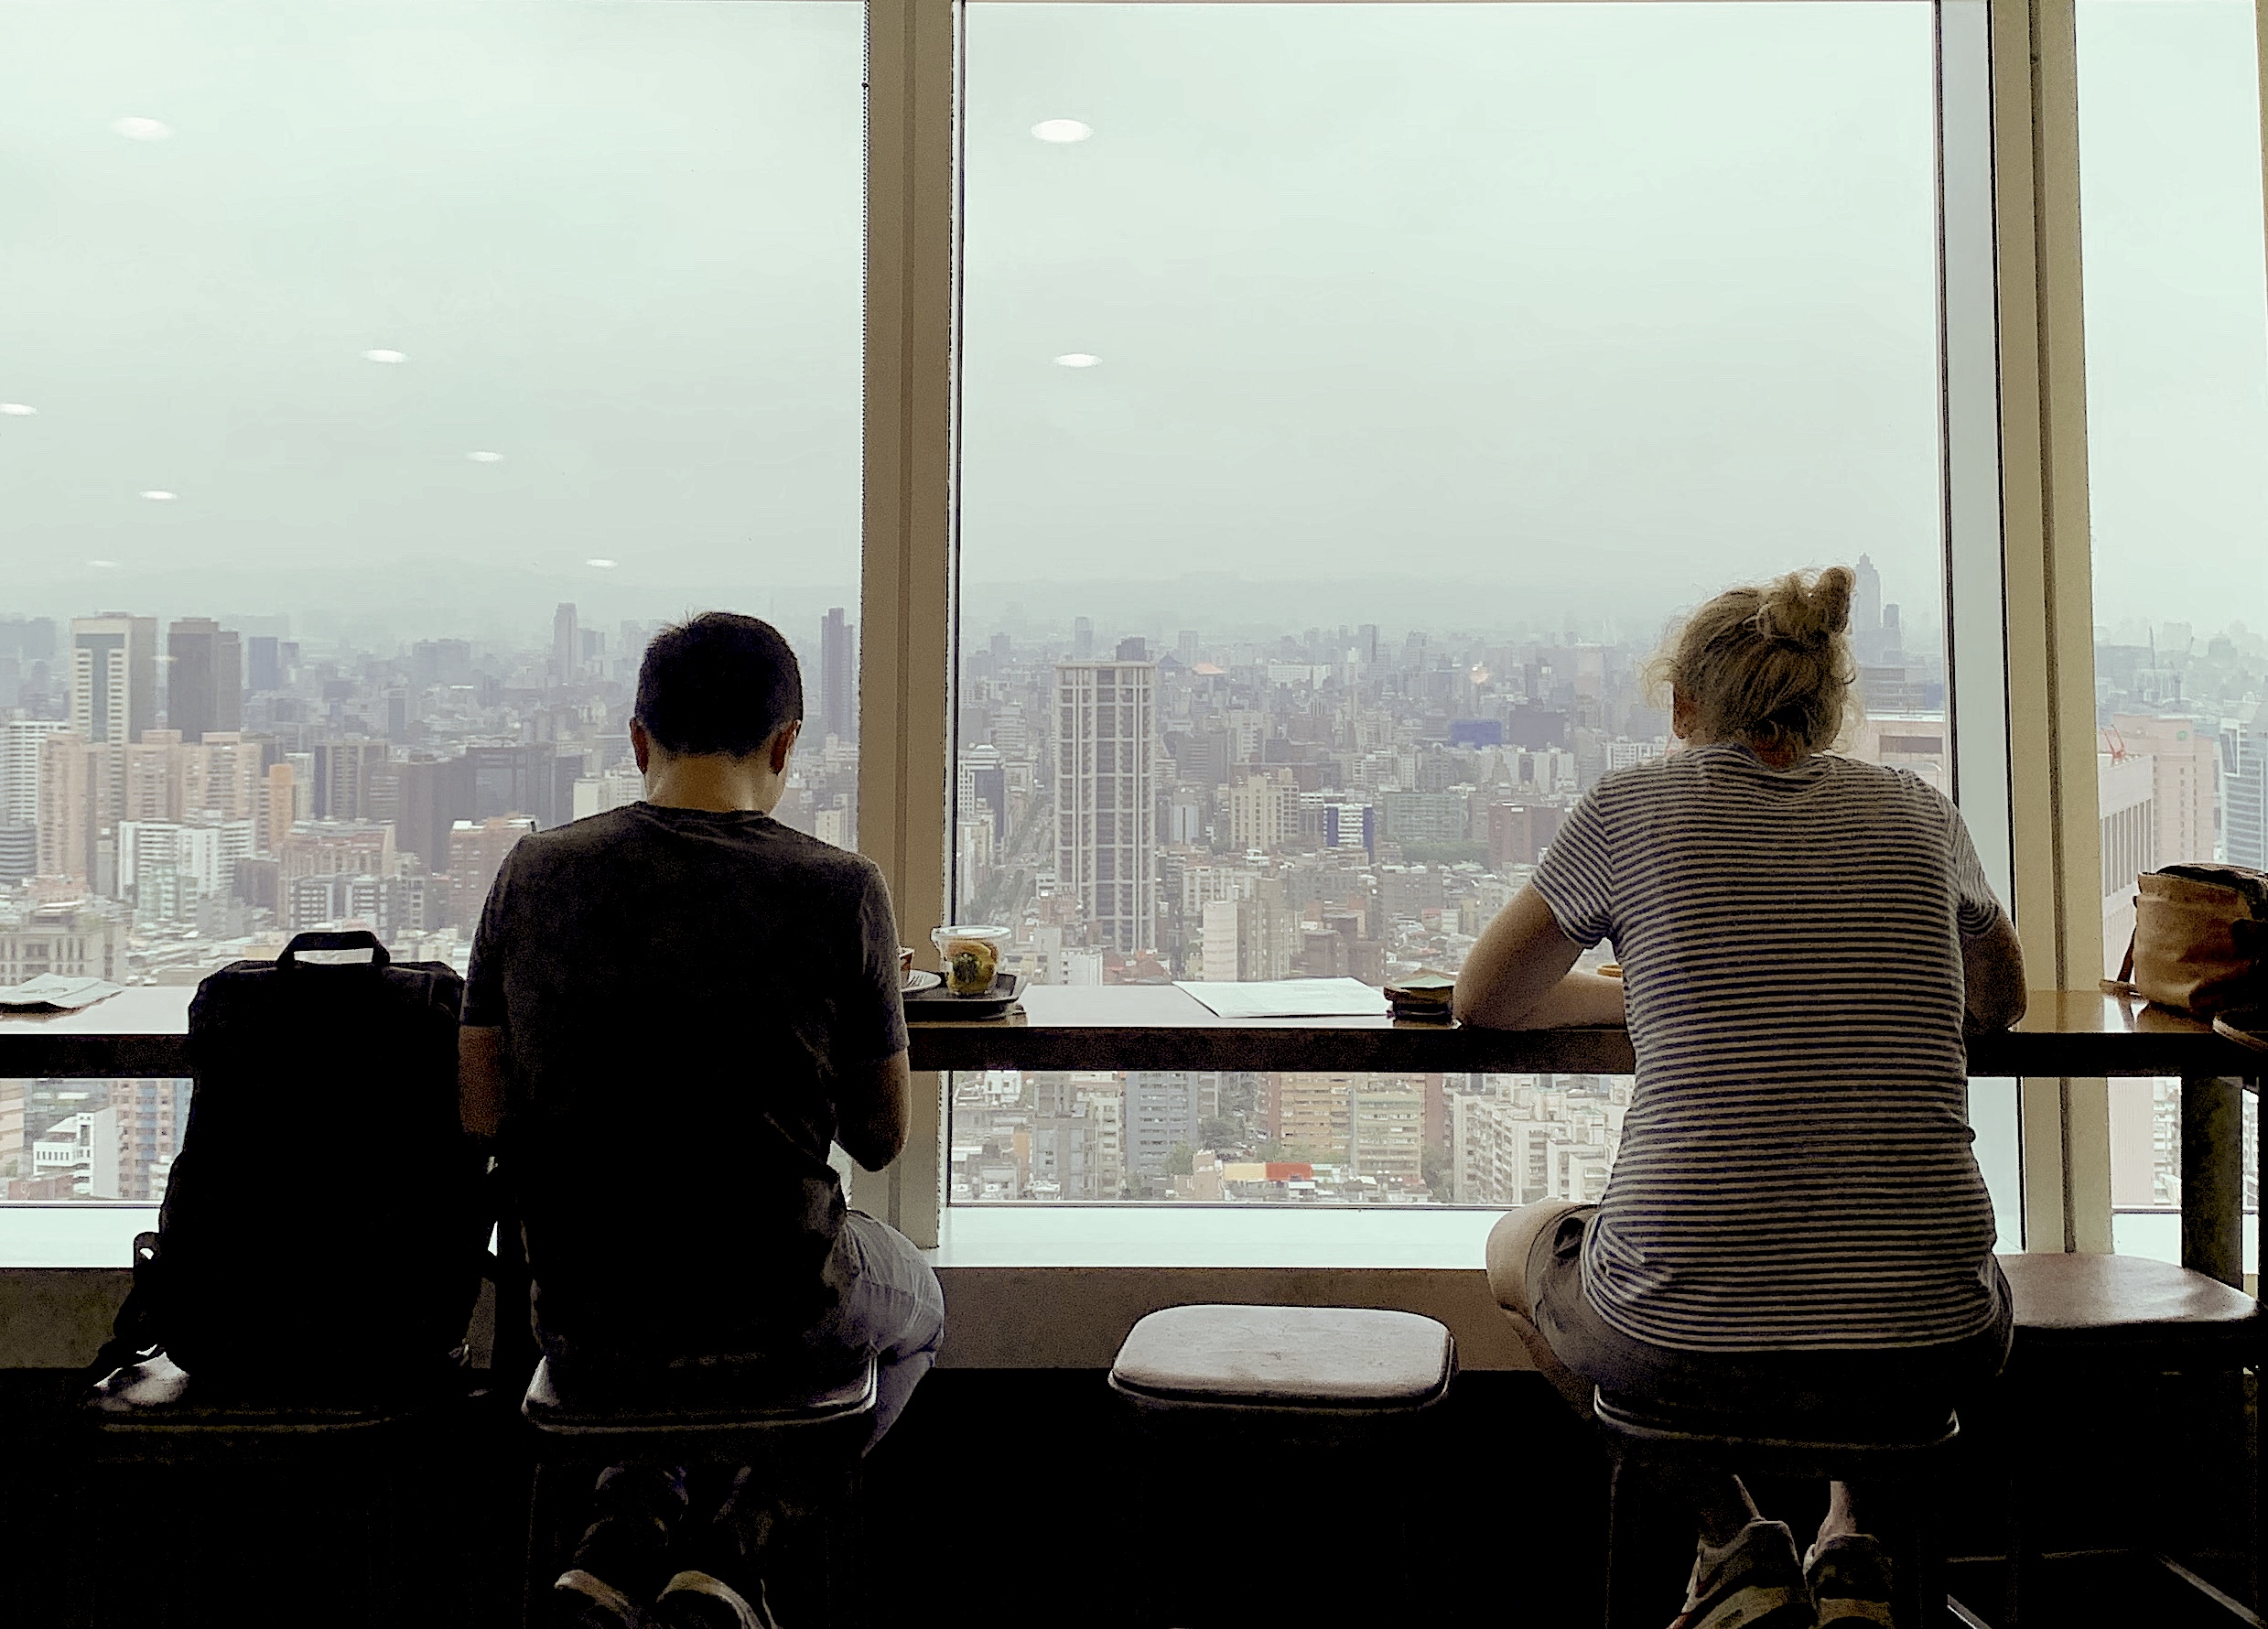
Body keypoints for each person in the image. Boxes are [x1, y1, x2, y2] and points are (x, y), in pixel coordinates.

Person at [1456, 567, 2026, 1629]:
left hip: (1680, 1344)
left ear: (1683, 707)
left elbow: (1486, 998)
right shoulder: (1921, 812)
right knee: (1881, 1276)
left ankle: (1731, 1540)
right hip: (1938, 1346)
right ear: (1829, 708)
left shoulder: (1631, 807)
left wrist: (1637, 987)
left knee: (1515, 1247)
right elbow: (2003, 1000)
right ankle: (1854, 1546)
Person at [459, 611, 945, 1629]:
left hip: (590, 1325)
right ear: (786, 745)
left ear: (639, 740)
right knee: (920, 1305)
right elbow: (880, 1136)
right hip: (784, 1315)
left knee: (660, 1311)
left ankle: (623, 1529)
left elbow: (482, 1110)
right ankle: (738, 1545)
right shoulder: (839, 890)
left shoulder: (532, 875)